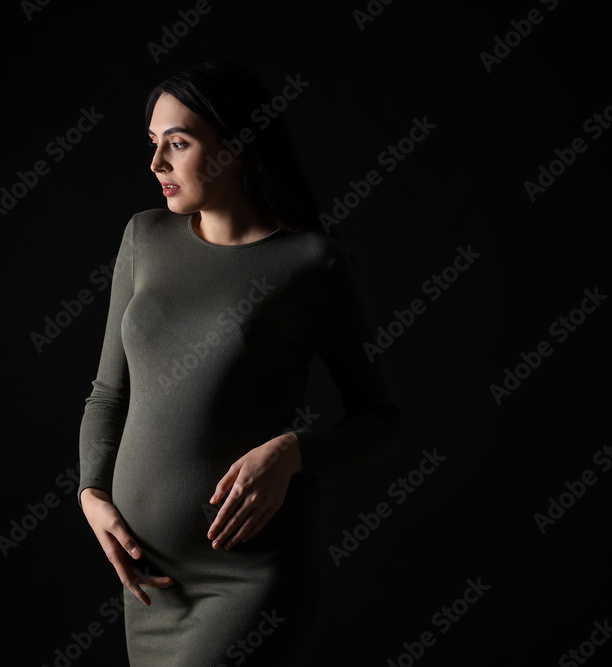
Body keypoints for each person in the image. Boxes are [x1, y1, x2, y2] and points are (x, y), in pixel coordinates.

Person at [77, 61, 402, 666]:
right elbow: (108, 393)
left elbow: (383, 419)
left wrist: (293, 452)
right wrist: (91, 491)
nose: (157, 165)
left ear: (238, 145)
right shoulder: (143, 238)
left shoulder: (311, 263)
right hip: (150, 583)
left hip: (251, 580)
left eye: (179, 142)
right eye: (153, 144)